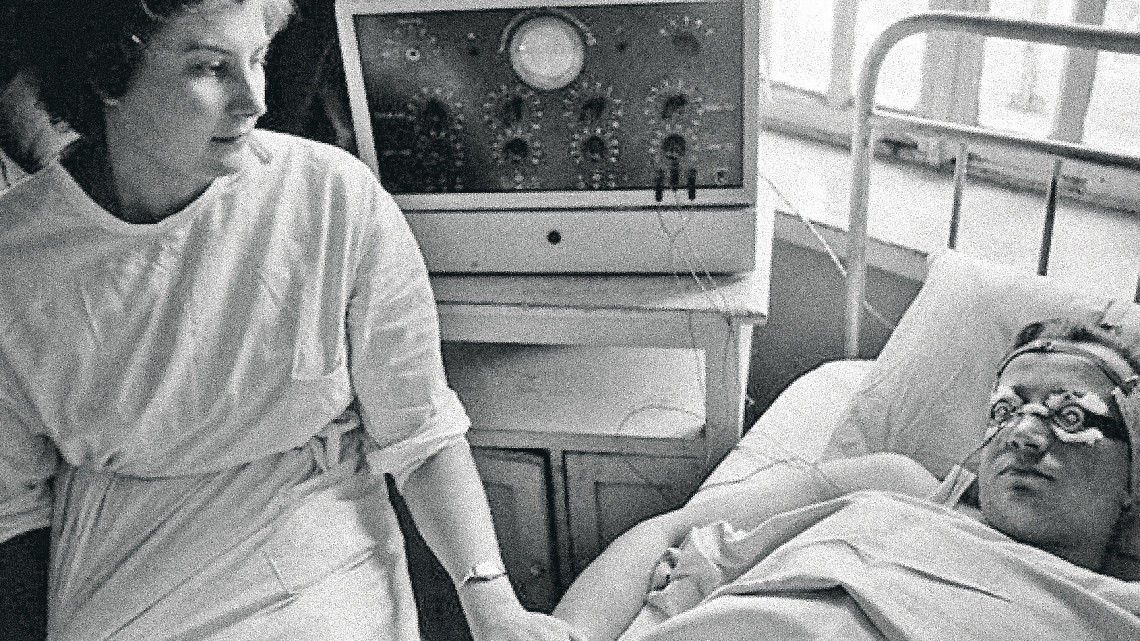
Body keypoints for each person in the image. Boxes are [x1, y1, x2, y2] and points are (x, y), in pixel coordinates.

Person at [0, 1, 580, 640]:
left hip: (317, 548)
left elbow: (420, 430)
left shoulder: (332, 196)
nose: (254, 100)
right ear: (106, 73)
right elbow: (13, 515)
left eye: (258, 58)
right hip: (122, 569)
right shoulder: (19, 260)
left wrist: (495, 610)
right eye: (210, 68)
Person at [553, 317, 1140, 641]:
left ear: (1133, 479)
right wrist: (565, 636)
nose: (1024, 436)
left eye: (1070, 418)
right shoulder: (898, 488)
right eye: (1006, 411)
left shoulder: (1117, 613)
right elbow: (668, 530)